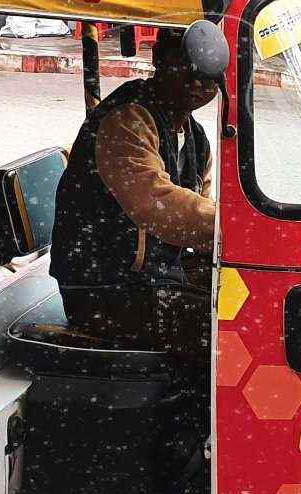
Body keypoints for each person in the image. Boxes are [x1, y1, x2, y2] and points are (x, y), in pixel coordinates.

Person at [50, 27, 219, 353]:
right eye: (187, 70)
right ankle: (188, 402)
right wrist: (239, 229)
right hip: (102, 289)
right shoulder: (127, 120)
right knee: (221, 324)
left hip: (153, 277)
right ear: (159, 60)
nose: (198, 85)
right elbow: (158, 206)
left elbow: (200, 216)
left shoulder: (196, 139)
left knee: (251, 294)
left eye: (209, 78)